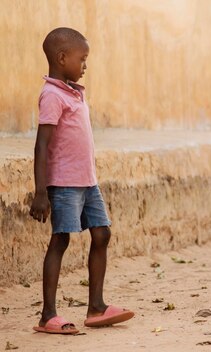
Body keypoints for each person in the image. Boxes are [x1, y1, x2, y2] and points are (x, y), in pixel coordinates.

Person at [30, 27, 134, 334]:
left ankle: (97, 307)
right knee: (61, 239)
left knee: (101, 234)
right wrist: (40, 191)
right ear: (62, 58)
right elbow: (42, 145)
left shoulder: (73, 92)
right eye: (82, 59)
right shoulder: (51, 95)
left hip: (87, 182)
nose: (85, 65)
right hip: (63, 183)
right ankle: (48, 315)